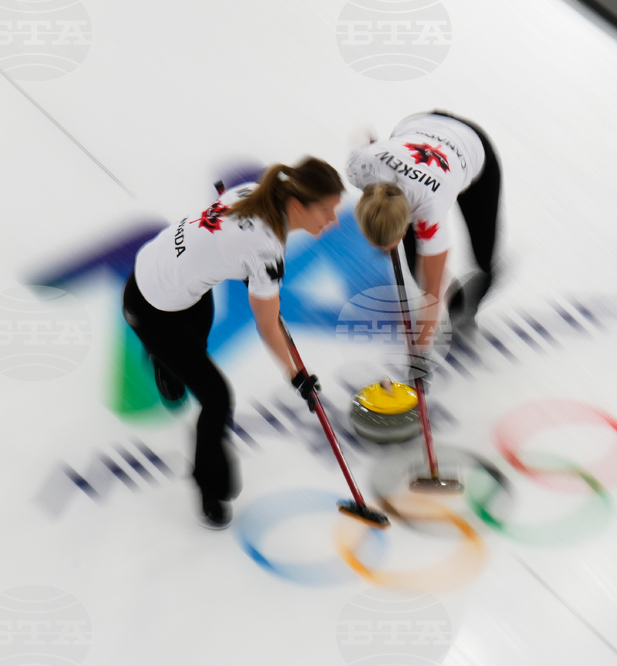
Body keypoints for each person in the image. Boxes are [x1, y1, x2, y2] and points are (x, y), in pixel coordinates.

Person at [122, 158, 344, 529]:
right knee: (217, 398)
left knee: (193, 355)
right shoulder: (265, 251)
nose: (332, 220)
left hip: (179, 286)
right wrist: (296, 376)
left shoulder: (254, 193)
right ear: (296, 206)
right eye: (326, 210)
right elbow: (268, 325)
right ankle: (209, 484)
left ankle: (167, 361)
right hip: (151, 309)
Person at [347, 110, 502, 354]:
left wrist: (419, 354)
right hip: (416, 128)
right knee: (416, 269)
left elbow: (433, 293)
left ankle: (468, 304)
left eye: (389, 243)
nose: (386, 251)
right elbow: (365, 142)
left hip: (472, 148)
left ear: (409, 221)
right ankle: (459, 303)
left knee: (483, 257)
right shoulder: (361, 167)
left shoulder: (430, 210)